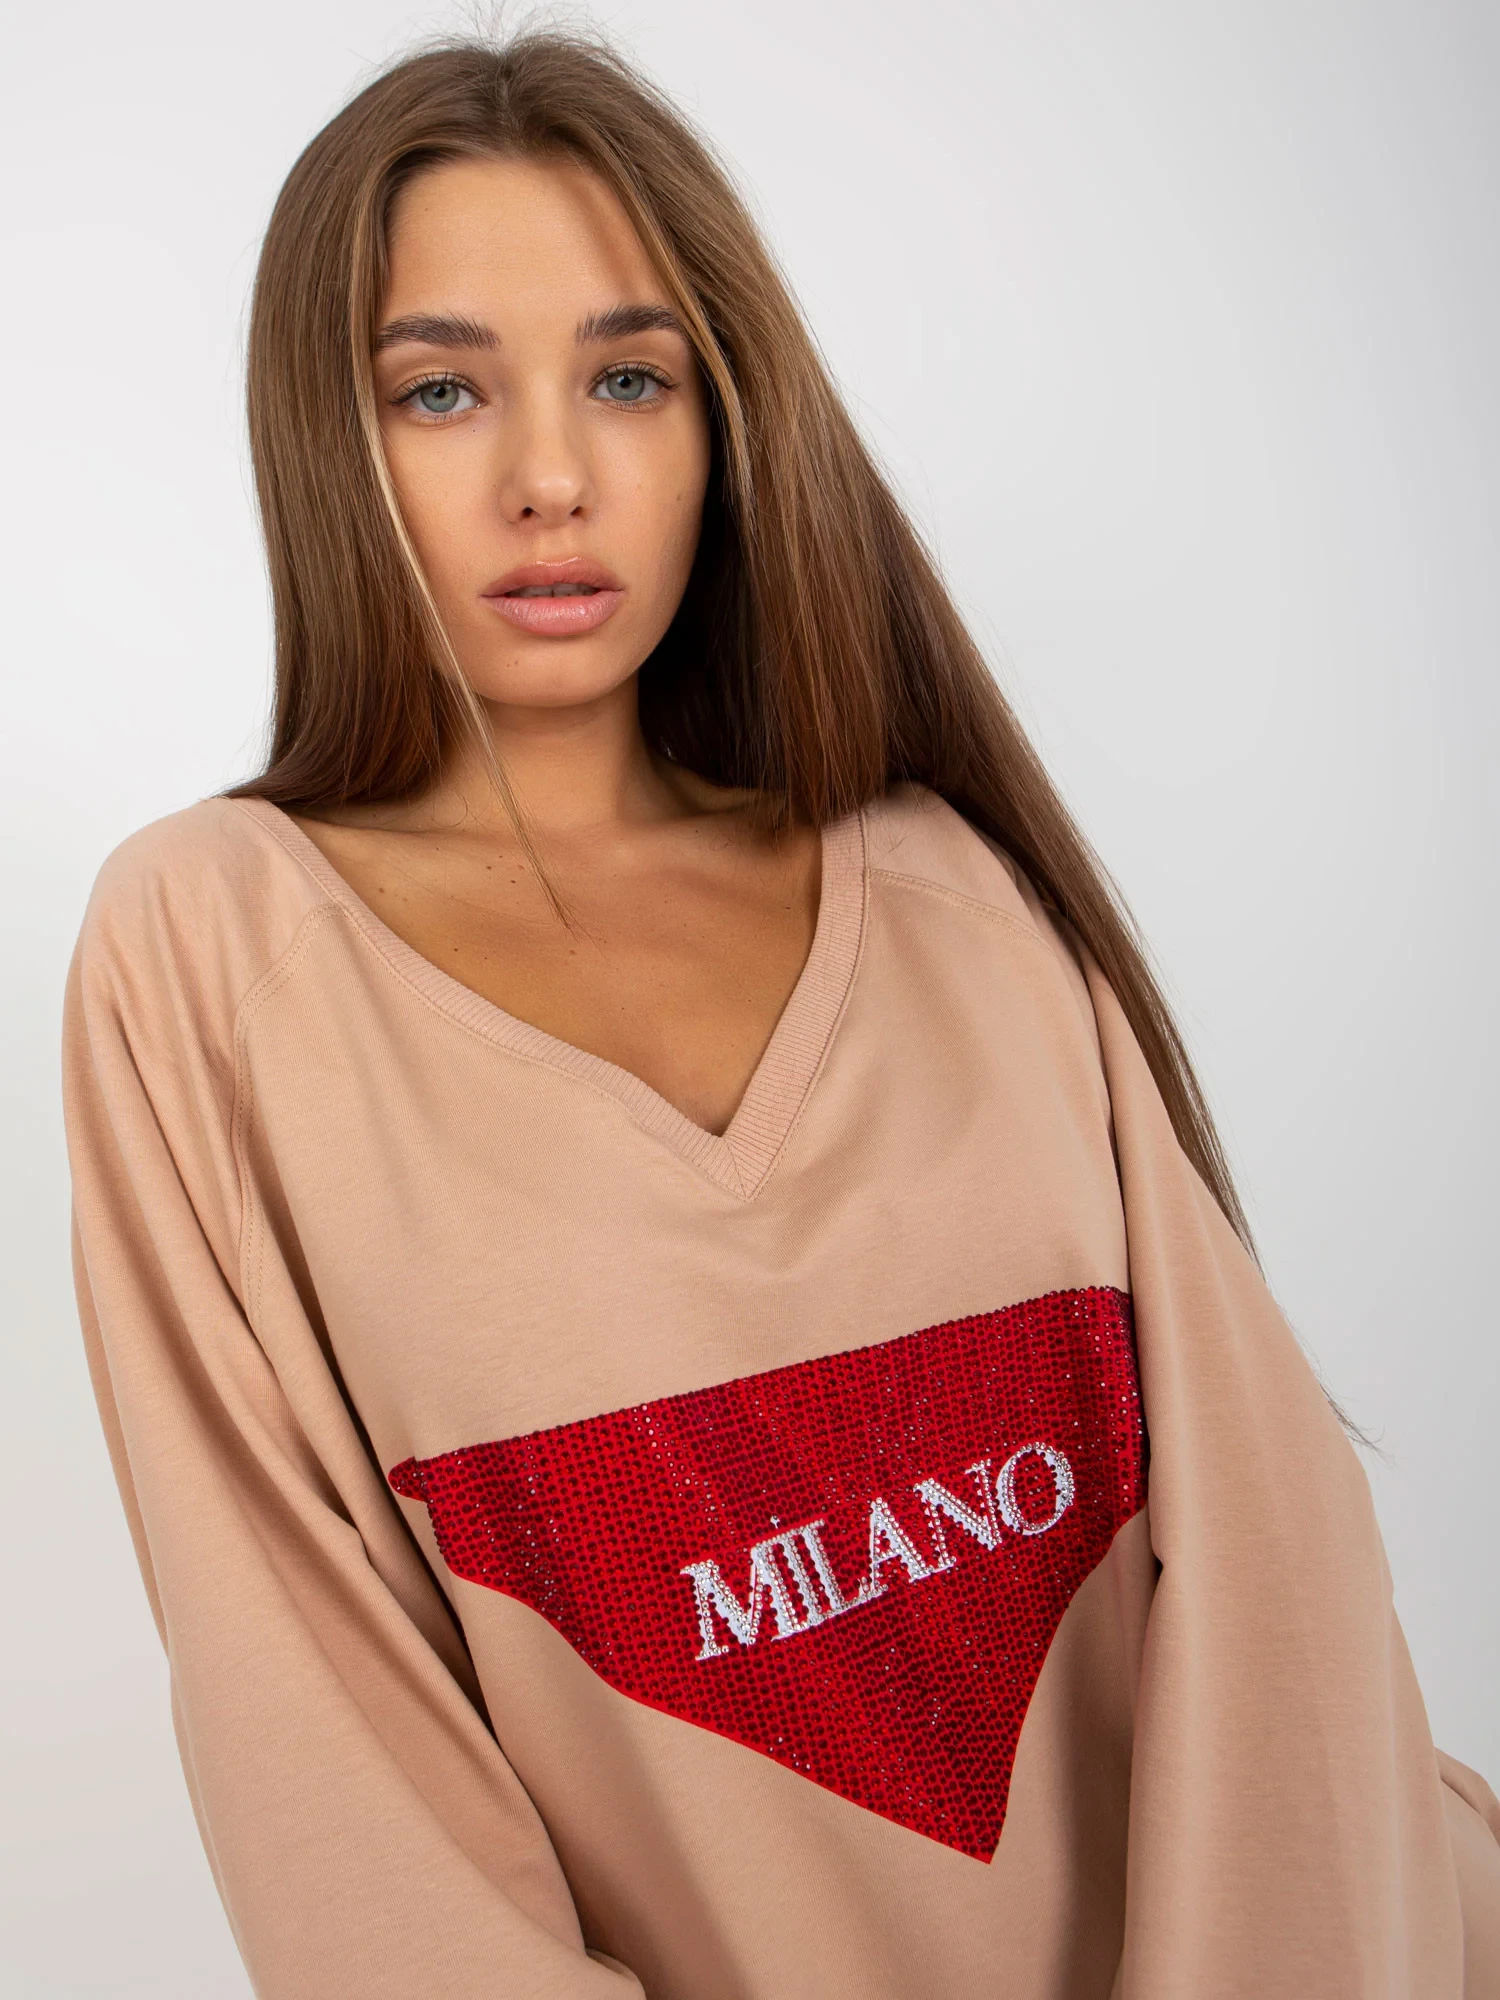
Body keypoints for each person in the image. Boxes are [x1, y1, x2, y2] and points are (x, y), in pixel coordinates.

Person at [60, 28, 1500, 2000]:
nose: (551, 478)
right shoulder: (207, 953)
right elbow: (326, 1773)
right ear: (330, 436)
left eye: (630, 377)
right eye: (442, 388)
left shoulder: (951, 889)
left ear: (724, 419)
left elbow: (1281, 1583)